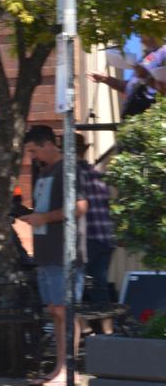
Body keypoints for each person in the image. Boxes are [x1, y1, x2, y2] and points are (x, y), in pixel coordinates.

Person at [19, 125, 90, 386]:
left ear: (49, 144)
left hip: (65, 253)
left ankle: (69, 370)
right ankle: (61, 368)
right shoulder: (44, 172)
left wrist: (42, 217)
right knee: (56, 311)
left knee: (65, 311)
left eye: (34, 150)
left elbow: (81, 206)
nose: (33, 156)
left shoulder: (68, 168)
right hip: (46, 252)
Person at [74, 135, 116, 335]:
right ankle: (107, 330)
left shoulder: (73, 175)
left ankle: (84, 328)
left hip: (87, 238)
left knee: (75, 286)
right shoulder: (97, 173)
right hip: (106, 237)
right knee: (99, 285)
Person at [90, 35, 164, 119]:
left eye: (144, 33)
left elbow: (159, 85)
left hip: (143, 114)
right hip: (130, 110)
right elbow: (128, 87)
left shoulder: (162, 53)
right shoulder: (149, 56)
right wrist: (105, 78)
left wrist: (144, 74)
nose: (140, 40)